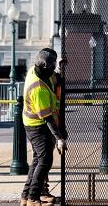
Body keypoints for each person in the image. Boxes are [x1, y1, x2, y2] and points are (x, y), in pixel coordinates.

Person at [21, 48, 67, 206]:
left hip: (36, 123)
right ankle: (33, 198)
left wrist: (59, 69)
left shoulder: (40, 72)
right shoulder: (38, 88)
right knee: (45, 160)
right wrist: (59, 138)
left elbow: (56, 80)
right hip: (37, 125)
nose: (53, 71)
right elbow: (47, 117)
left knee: (38, 160)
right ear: (45, 67)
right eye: (52, 68)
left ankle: (29, 196)